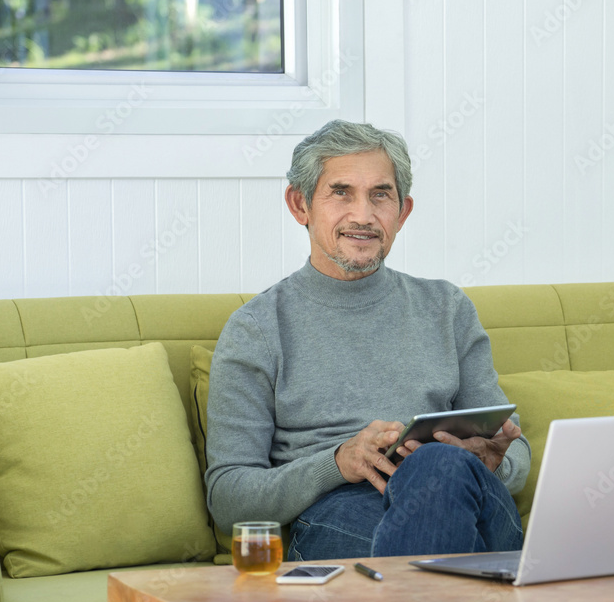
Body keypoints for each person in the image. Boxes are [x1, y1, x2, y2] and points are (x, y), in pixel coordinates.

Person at [204, 119, 530, 560]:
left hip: (469, 497)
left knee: (438, 466)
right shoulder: (258, 328)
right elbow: (229, 499)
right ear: (300, 205)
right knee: (440, 489)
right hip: (339, 514)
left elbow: (510, 442)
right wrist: (337, 463)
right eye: (341, 192)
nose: (363, 215)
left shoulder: (446, 307)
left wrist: (496, 464)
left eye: (380, 194)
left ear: (403, 211)